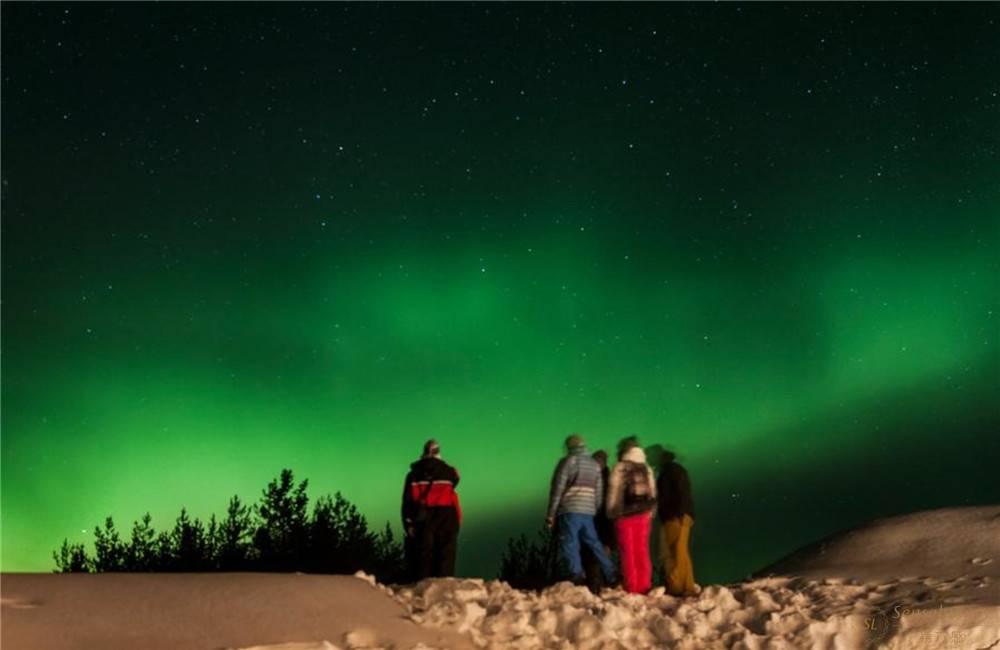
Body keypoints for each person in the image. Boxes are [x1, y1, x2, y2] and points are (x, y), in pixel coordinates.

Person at [546, 435, 617, 589]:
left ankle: (576, 575)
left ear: (569, 447)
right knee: (594, 543)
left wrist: (551, 514)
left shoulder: (567, 462)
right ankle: (611, 573)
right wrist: (595, 509)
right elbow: (599, 492)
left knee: (570, 543)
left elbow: (557, 490)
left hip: (570, 509)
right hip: (588, 512)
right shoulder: (594, 465)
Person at [402, 439, 461, 581]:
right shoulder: (449, 472)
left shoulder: (413, 475)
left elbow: (407, 502)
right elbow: (456, 480)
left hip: (423, 518)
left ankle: (422, 592)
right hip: (446, 516)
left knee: (423, 558)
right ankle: (444, 593)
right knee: (445, 557)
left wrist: (408, 524)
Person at [607, 437, 657, 594]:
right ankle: (644, 585)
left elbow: (614, 492)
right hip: (644, 515)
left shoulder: (620, 467)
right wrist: (651, 513)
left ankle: (632, 587)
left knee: (627, 552)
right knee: (642, 550)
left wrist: (611, 513)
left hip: (624, 516)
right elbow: (653, 493)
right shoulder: (646, 468)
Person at [656, 450, 696, 596]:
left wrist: (674, 514)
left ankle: (677, 587)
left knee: (675, 553)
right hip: (686, 515)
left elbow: (668, 496)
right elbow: (684, 493)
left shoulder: (667, 473)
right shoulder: (680, 470)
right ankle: (688, 586)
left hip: (675, 517)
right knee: (682, 552)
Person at [581, 449, 615, 592]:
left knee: (595, 559)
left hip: (602, 526)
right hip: (595, 525)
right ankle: (597, 587)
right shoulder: (603, 478)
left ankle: (596, 589)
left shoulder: (607, 481)